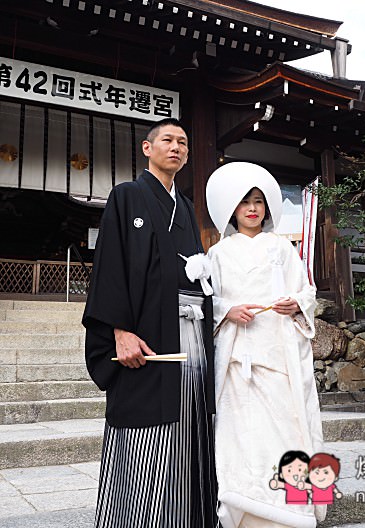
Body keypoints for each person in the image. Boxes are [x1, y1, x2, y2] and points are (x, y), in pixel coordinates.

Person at [82, 118, 216, 528]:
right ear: (147, 148)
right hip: (144, 333)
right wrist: (119, 331)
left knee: (189, 422)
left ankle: (188, 518)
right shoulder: (126, 196)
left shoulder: (187, 207)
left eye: (183, 142)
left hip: (188, 333)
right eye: (168, 140)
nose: (176, 147)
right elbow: (109, 268)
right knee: (145, 432)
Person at [206, 162, 325, 528]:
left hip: (278, 350)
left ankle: (291, 506)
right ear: (232, 210)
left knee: (284, 425)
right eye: (244, 202)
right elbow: (209, 299)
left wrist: (297, 303)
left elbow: (306, 290)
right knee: (240, 431)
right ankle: (245, 506)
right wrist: (228, 310)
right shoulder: (219, 253)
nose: (252, 208)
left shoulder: (282, 248)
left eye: (258, 201)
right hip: (238, 354)